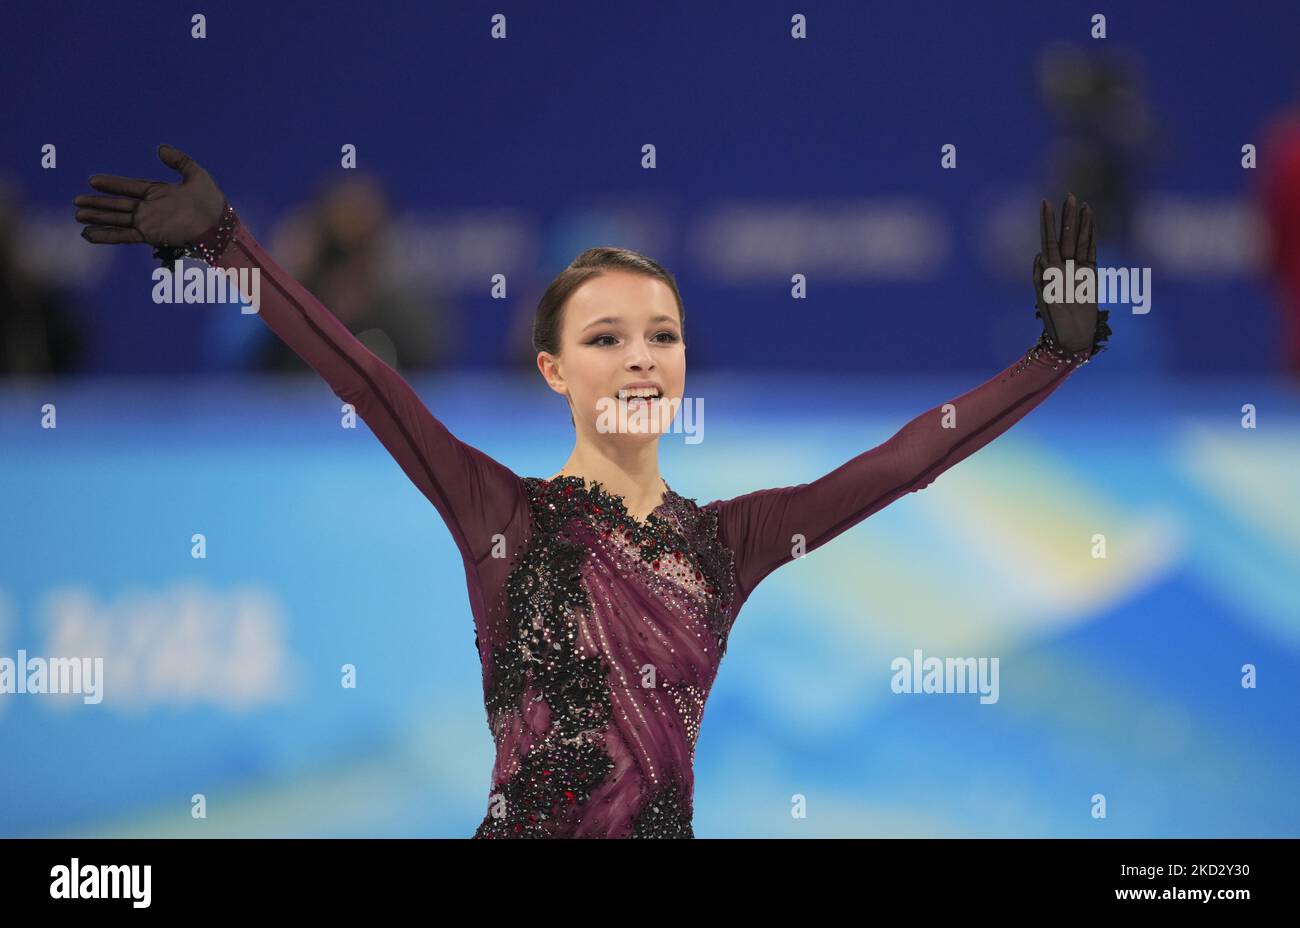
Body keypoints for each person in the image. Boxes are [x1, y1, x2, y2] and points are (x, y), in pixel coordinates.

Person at [74, 145, 1111, 838]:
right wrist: (230, 249)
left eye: (661, 334)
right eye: (605, 338)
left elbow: (897, 464)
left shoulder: (729, 543)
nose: (640, 358)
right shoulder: (500, 513)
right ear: (552, 370)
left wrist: (1048, 361)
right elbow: (364, 377)